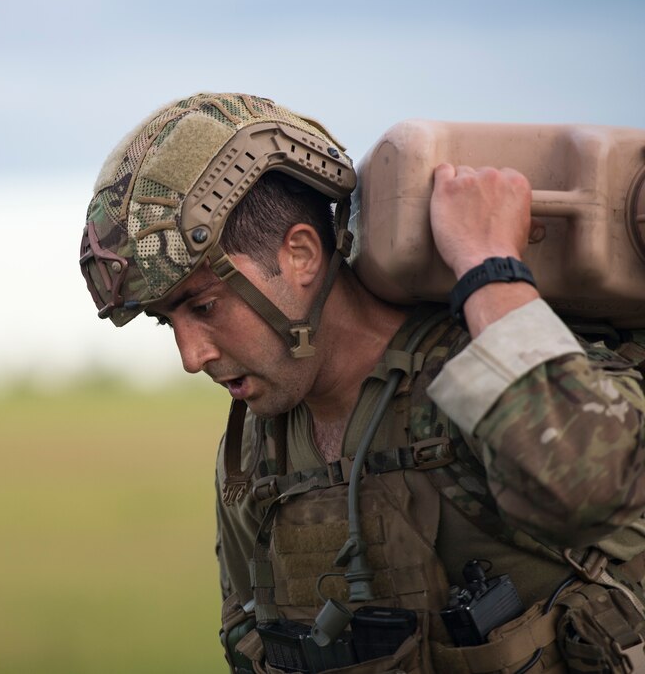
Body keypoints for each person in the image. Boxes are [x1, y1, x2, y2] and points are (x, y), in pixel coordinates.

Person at [78, 93, 645, 673]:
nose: (191, 356)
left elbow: (591, 488)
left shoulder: (495, 374)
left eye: (204, 306)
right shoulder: (257, 450)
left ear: (299, 255)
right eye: (168, 321)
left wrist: (487, 268)